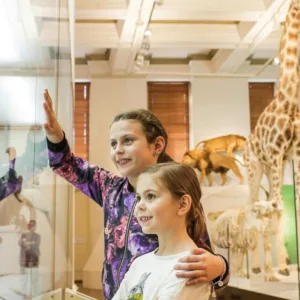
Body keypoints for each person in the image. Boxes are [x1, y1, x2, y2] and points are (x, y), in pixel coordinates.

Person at [43, 89, 229, 299]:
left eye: (128, 140)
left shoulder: (176, 195)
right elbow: (67, 165)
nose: (118, 150)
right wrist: (55, 135)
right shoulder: (111, 188)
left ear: (157, 145)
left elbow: (202, 259)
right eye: (114, 144)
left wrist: (221, 266)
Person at [113, 163, 213, 299]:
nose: (139, 205)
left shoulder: (189, 269)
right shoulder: (139, 263)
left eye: (151, 196)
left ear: (183, 204)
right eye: (138, 198)